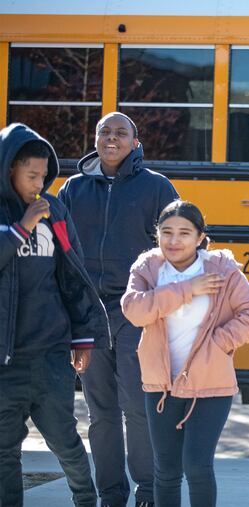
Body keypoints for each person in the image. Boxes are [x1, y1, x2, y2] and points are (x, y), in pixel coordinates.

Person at [58, 112, 179, 507]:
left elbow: (184, 246)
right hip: (88, 314)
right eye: (104, 132)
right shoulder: (73, 190)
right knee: (101, 412)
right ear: (94, 138)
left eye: (120, 133)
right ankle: (111, 493)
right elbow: (57, 249)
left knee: (137, 406)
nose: (112, 139)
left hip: (135, 312)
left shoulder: (156, 187)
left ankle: (147, 490)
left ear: (135, 140)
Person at [121, 200, 249, 507]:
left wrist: (220, 342)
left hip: (211, 385)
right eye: (167, 232)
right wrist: (188, 288)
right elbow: (135, 310)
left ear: (201, 237)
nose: (174, 241)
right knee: (165, 470)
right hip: (160, 386)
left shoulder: (221, 270)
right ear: (157, 235)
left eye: (184, 233)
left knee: (197, 465)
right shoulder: (148, 268)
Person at [0, 123, 110, 507]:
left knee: (65, 441)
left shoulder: (55, 209)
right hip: (5, 358)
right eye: (31, 175)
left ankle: (86, 500)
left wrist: (84, 336)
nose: (39, 184)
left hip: (50, 355)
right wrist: (23, 226)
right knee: (4, 450)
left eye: (44, 176)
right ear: (9, 169)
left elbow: (72, 273)